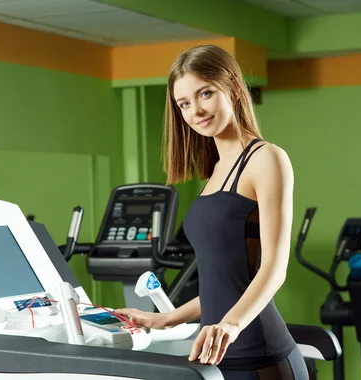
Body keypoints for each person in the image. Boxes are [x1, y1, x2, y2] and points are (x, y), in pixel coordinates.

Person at [114, 45, 308, 380]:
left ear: (232, 87)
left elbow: (275, 270)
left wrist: (229, 325)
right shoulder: (216, 172)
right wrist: (164, 319)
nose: (196, 111)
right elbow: (225, 285)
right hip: (216, 356)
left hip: (260, 357)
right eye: (184, 103)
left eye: (205, 93)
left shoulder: (266, 159)